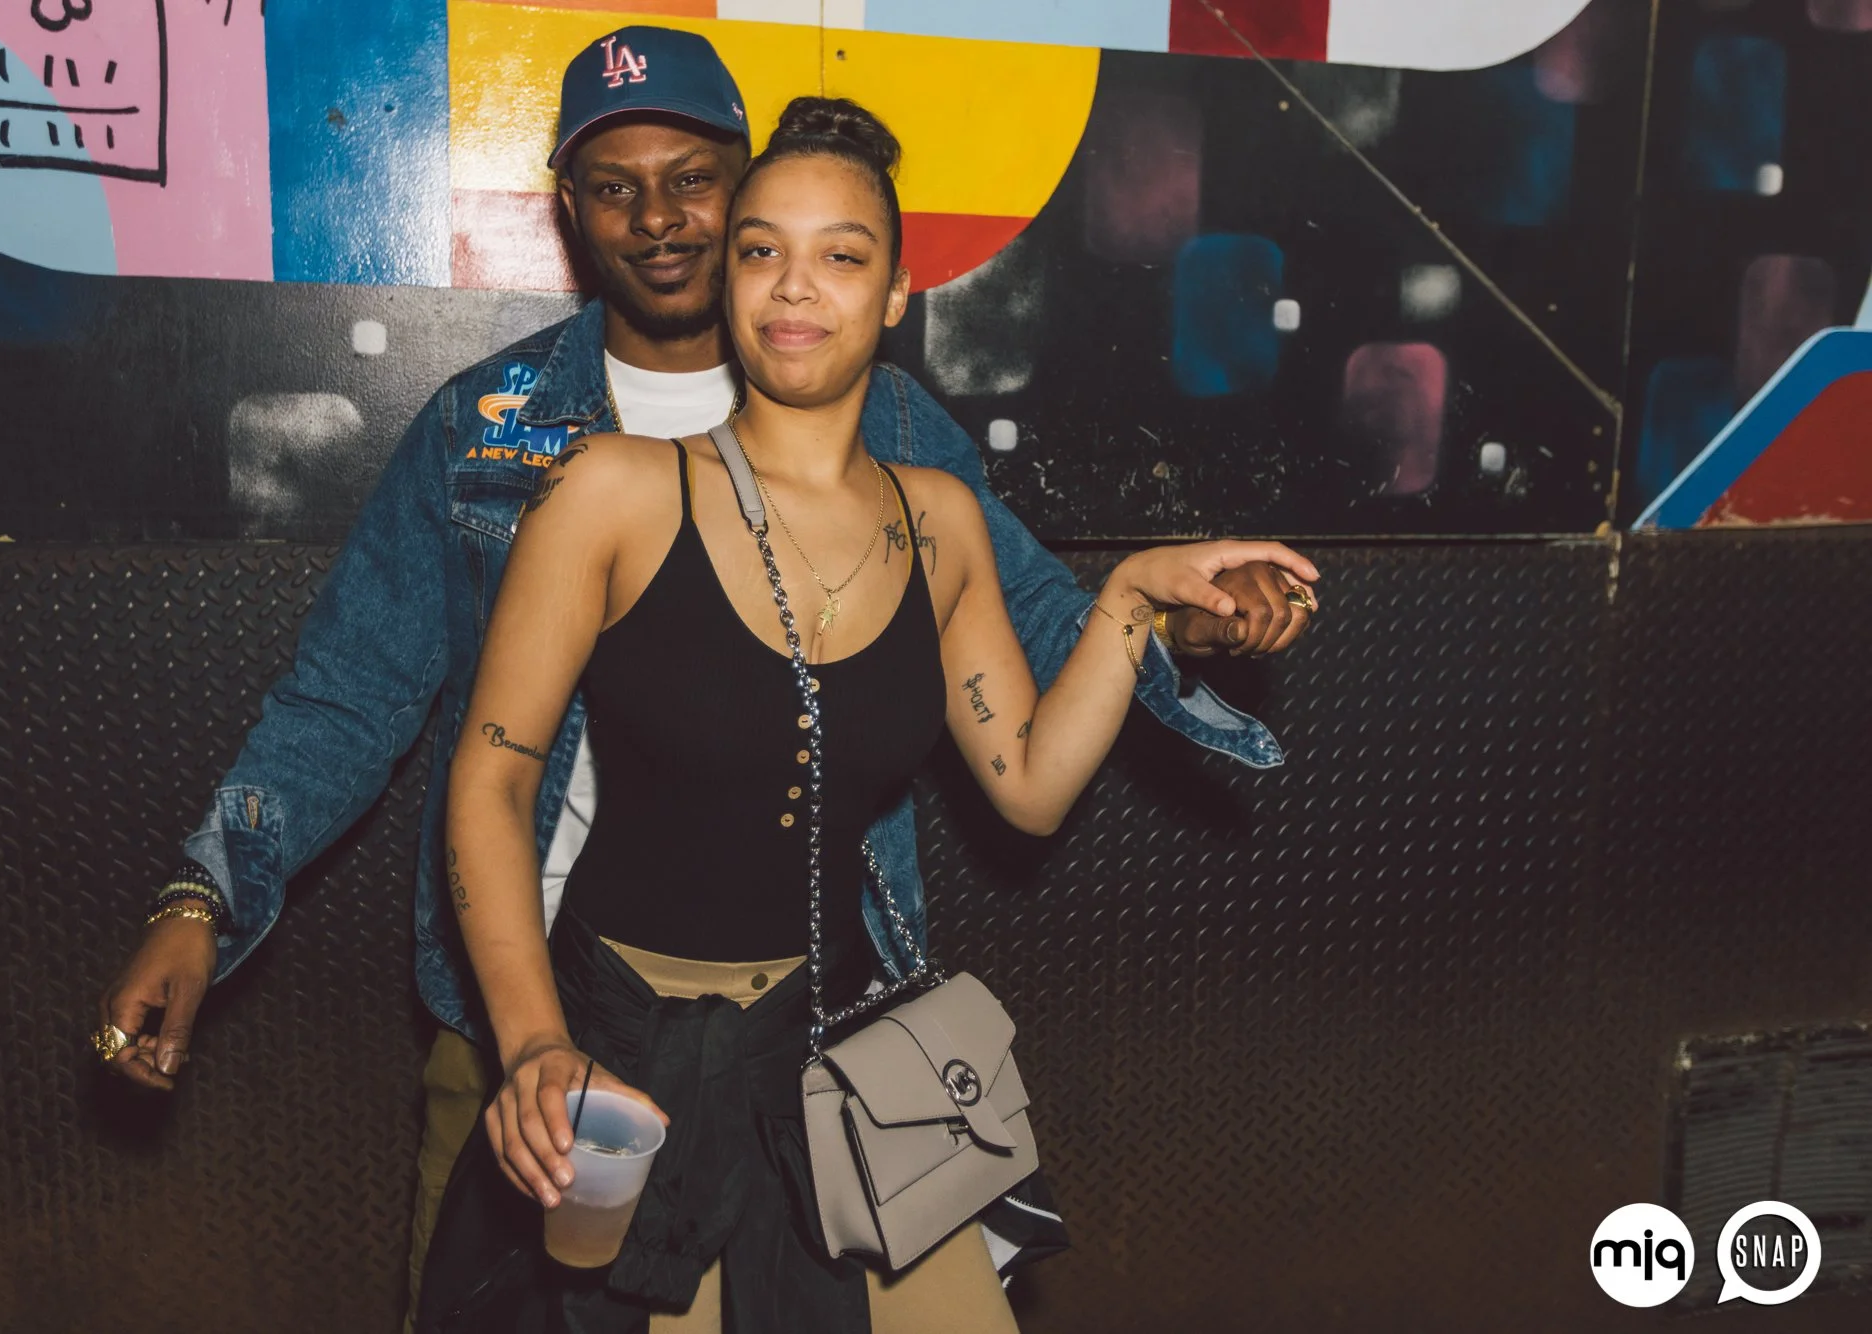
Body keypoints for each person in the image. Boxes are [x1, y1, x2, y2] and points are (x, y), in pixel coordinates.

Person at [89, 26, 1319, 1330]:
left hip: (827, 1018)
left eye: (692, 180)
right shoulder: (497, 436)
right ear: (571, 210)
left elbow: (1037, 648)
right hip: (533, 1013)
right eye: (615, 186)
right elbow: (348, 701)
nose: (660, 217)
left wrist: (1175, 614)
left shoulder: (909, 451)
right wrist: (206, 897)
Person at [412, 94, 1318, 1334]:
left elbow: (1028, 785)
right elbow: (492, 778)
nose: (795, 285)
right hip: (621, 1052)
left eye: (840, 256)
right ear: (728, 280)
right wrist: (528, 1044)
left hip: (833, 1052)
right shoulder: (612, 489)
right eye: (761, 249)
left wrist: (1126, 603)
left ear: (894, 295)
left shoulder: (938, 517)